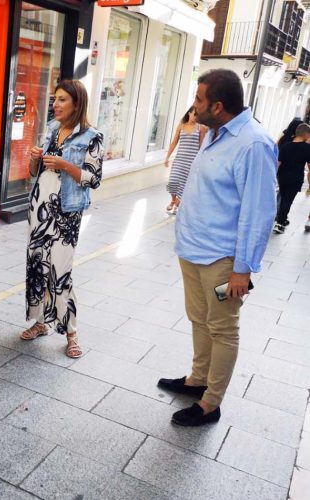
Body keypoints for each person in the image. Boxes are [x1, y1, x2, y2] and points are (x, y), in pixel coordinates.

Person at [158, 69, 277, 426]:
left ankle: (211, 403)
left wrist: (243, 268)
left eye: (199, 100)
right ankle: (197, 380)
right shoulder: (213, 132)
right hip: (192, 249)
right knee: (199, 319)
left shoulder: (253, 143)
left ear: (219, 105)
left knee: (223, 328)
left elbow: (259, 211)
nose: (193, 107)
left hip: (223, 261)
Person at [21, 80, 104, 359]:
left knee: (61, 272)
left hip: (66, 213)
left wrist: (66, 165)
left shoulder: (92, 136)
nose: (55, 104)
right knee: (37, 265)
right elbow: (35, 171)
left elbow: (94, 178)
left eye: (62, 100)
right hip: (39, 208)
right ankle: (40, 323)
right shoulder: (53, 129)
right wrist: (35, 158)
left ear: (77, 104)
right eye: (54, 99)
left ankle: (71, 333)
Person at [164, 107, 206, 214]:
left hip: (191, 162)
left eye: (198, 115)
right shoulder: (181, 126)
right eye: (194, 114)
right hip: (179, 160)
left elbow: (201, 146)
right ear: (189, 113)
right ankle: (173, 201)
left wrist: (201, 162)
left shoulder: (200, 128)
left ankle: (177, 206)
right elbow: (174, 143)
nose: (196, 117)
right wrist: (167, 157)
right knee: (172, 181)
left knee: (184, 185)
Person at [273, 122, 310, 234]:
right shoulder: (307, 148)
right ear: (305, 134)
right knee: (287, 201)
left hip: (282, 177)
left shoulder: (286, 146)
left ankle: (281, 219)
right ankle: (279, 223)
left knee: (283, 197)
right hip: (295, 178)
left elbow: (278, 163)